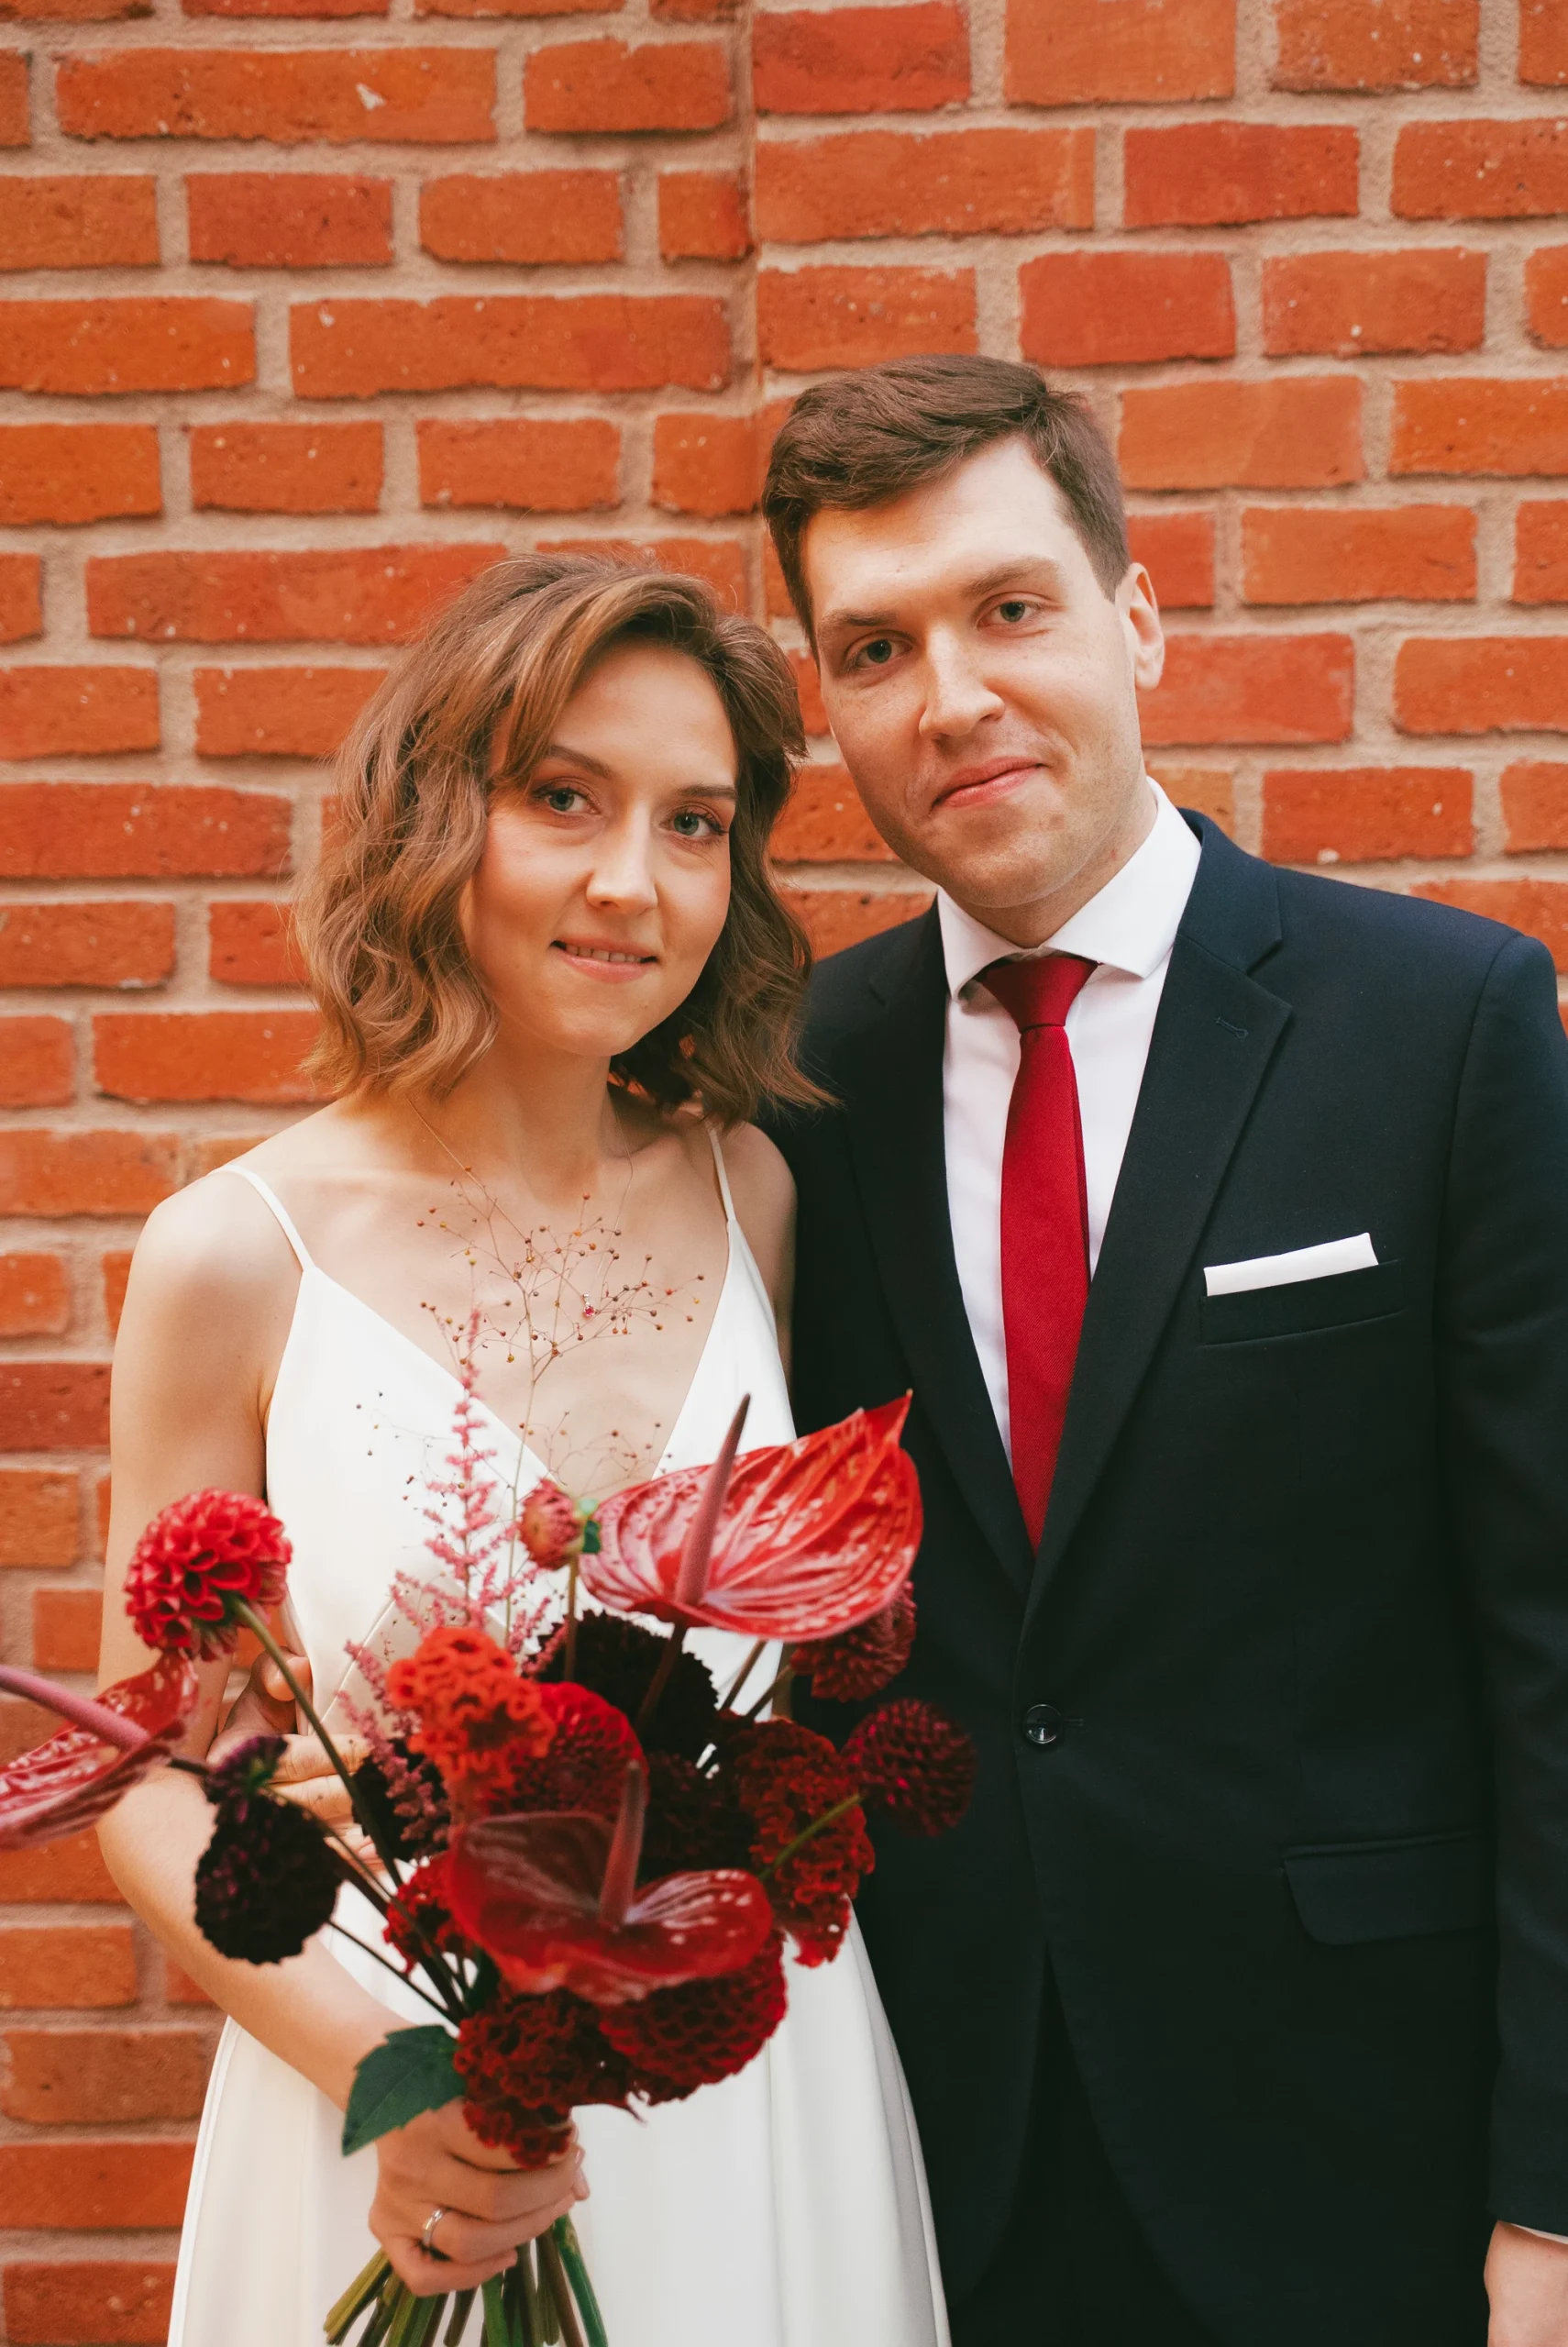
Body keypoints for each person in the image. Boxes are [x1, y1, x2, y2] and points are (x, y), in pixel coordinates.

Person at [759, 354, 1568, 2347]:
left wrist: (1551, 2204)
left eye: (1008, 607)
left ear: (1136, 618)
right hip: (939, 2166)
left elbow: (1552, 1642)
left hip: (1364, 2162)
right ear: (827, 705)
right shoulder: (790, 1087)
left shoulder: (1442, 1024)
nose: (951, 694)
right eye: (875, 647)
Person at [95, 557, 949, 2347]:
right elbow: (155, 1774)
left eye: (695, 822)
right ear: (433, 821)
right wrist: (402, 2086)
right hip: (393, 2088)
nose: (634, 880)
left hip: (744, 2087)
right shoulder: (235, 1254)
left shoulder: (754, 1190)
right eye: (564, 797)